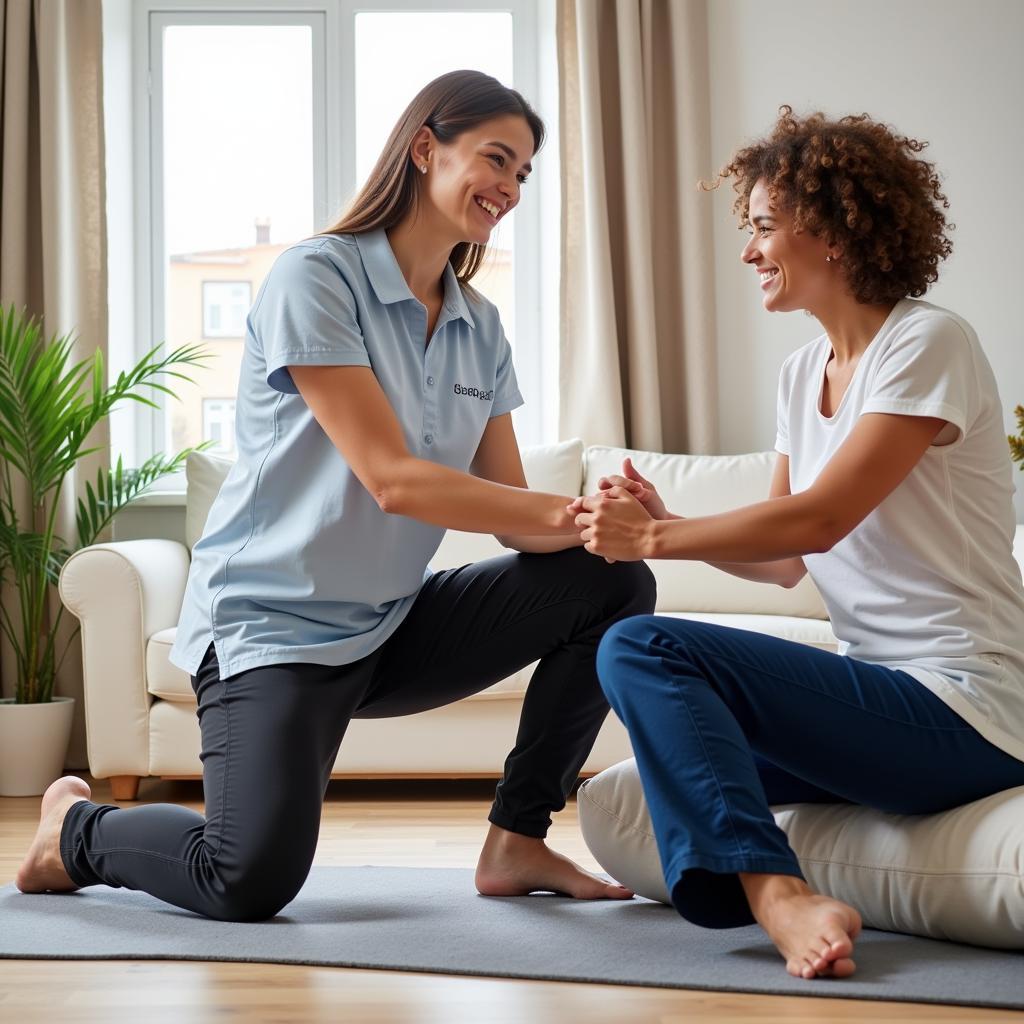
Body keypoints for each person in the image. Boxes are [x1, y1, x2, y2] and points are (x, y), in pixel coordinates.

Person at [17, 70, 655, 921]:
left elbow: (515, 515)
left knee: (608, 583)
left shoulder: (480, 325)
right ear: (426, 147)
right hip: (271, 630)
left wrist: (616, 525)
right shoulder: (318, 277)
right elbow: (390, 480)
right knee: (245, 878)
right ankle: (75, 831)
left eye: (523, 173)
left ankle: (517, 838)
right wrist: (574, 516)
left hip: (389, 627)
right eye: (495, 158)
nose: (507, 186)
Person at [569, 106, 1024, 980]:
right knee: (642, 684)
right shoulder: (798, 374)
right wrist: (671, 520)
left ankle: (776, 892)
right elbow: (785, 562)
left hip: (966, 710)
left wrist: (657, 535)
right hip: (880, 705)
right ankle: (763, 881)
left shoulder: (927, 343)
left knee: (643, 644)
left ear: (838, 233)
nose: (749, 252)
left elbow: (821, 517)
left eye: (764, 227)